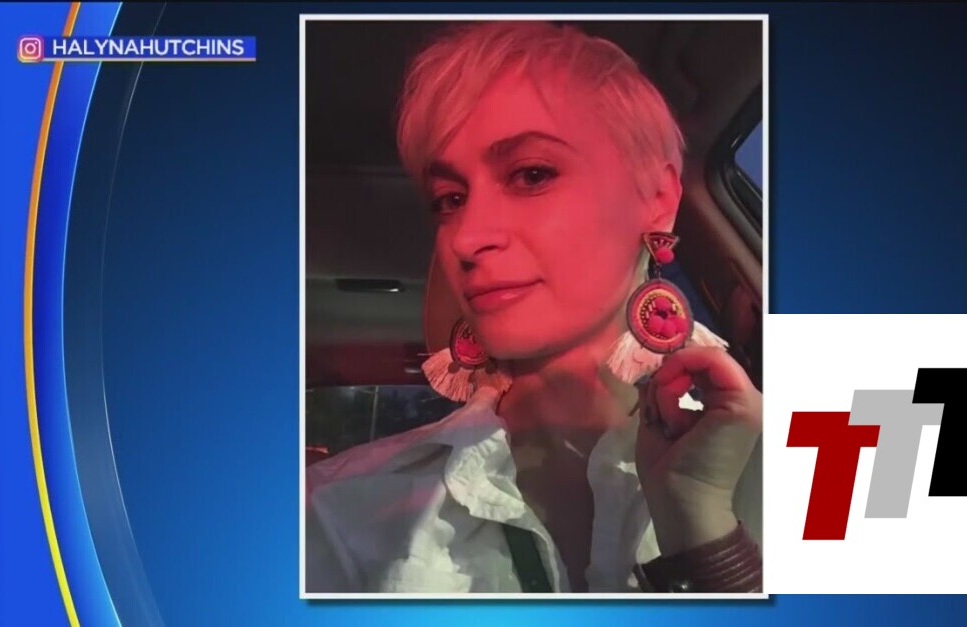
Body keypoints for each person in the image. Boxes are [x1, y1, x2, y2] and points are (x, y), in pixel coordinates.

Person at [306, 21, 763, 594]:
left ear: (658, 198)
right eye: (449, 199)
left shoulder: (807, 454)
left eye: (532, 174)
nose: (467, 236)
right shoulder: (332, 516)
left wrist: (702, 530)